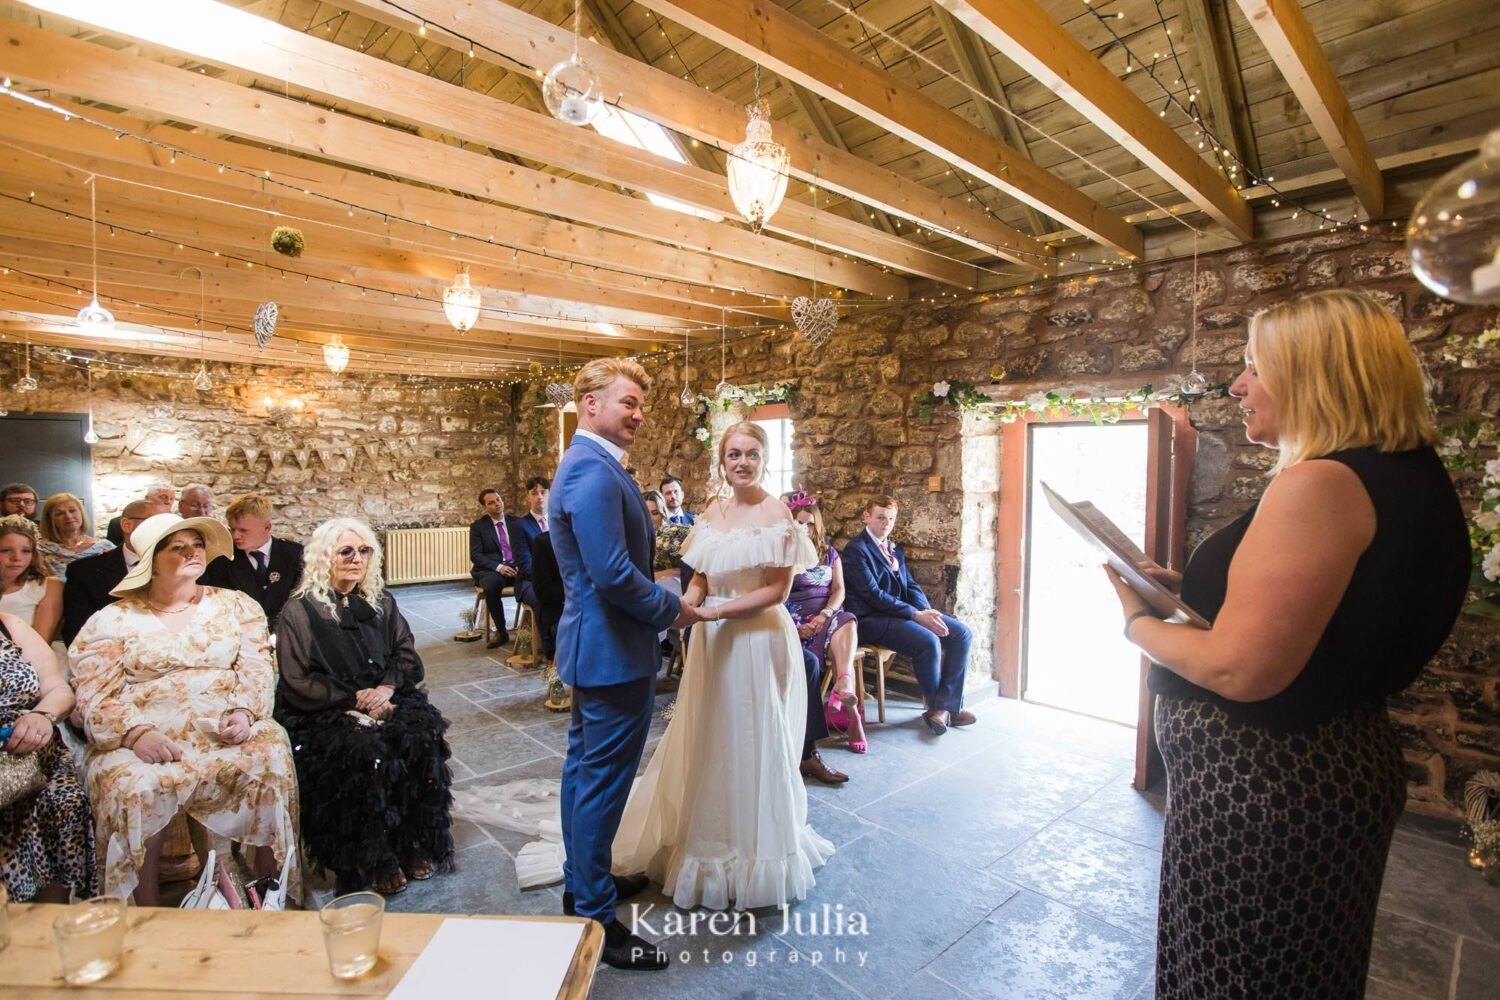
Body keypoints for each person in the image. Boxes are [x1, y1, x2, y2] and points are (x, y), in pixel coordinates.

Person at [1103, 290, 1471, 1000]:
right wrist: (1188, 588)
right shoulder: (1409, 475)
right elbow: (1334, 612)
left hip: (1267, 794)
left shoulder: (1321, 483)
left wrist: (1136, 623)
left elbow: (1242, 667)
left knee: (1239, 977)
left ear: (1316, 373)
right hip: (1329, 770)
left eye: (1253, 368)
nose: (1237, 386)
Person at [614, 421, 834, 911]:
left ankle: (757, 851)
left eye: (751, 454)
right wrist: (686, 606)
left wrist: (710, 613)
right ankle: (708, 840)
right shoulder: (711, 512)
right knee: (712, 734)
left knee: (756, 735)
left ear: (765, 458)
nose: (741, 463)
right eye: (733, 454)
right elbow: (702, 578)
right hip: (713, 640)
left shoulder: (778, 515)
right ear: (722, 460)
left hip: (757, 637)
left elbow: (776, 590)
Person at [550, 358, 698, 971]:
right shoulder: (589, 470)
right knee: (602, 780)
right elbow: (611, 574)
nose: (638, 414)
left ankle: (581, 880)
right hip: (612, 650)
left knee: (586, 772)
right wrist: (674, 610)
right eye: (628, 402)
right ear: (590, 404)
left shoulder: (591, 464)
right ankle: (594, 915)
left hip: (605, 647)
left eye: (640, 404)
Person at [68, 512, 300, 905]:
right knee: (133, 784)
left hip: (224, 724)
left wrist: (245, 712)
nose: (193, 552)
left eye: (197, 545)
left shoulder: (236, 606)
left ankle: (270, 894)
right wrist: (136, 733)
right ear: (151, 563)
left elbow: (258, 669)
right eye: (178, 547)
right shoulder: (113, 620)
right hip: (145, 734)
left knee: (271, 754)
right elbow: (96, 693)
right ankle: (146, 908)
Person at [274, 518, 454, 896]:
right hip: (326, 704)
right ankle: (374, 856)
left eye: (364, 550)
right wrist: (354, 700)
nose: (356, 559)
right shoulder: (299, 611)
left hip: (383, 693)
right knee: (362, 752)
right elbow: (297, 680)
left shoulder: (380, 600)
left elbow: (406, 653)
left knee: (420, 734)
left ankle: (411, 841)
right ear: (325, 557)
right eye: (346, 551)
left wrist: (386, 688)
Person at [843, 496, 973, 735]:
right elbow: (873, 595)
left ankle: (943, 708)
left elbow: (910, 585)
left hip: (901, 614)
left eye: (891, 519)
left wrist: (926, 612)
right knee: (927, 640)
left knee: (962, 634)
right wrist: (915, 615)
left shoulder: (894, 548)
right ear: (866, 517)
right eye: (881, 517)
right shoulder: (856, 550)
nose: (886, 523)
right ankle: (941, 708)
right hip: (870, 619)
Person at [0, 611, 94, 902]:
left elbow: (58, 689)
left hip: (36, 754)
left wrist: (42, 716)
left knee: (66, 801)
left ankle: (51, 917)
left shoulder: (8, 624)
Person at [784, 491, 866, 758]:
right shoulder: (783, 555)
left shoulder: (829, 553)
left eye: (810, 523)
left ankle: (844, 685)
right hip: (793, 616)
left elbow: (839, 589)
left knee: (847, 620)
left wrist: (825, 614)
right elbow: (775, 596)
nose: (806, 529)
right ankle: (849, 711)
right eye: (801, 523)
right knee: (814, 648)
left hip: (825, 613)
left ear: (817, 525)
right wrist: (796, 625)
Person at [205, 494, 305, 629]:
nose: (235, 536)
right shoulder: (222, 559)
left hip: (285, 633)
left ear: (267, 528)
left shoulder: (294, 556)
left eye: (243, 530)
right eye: (232, 529)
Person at [60, 500, 152, 645]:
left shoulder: (192, 570)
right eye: (156, 522)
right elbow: (78, 633)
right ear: (127, 525)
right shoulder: (85, 573)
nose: (165, 530)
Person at [468, 489, 530, 650]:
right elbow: (476, 555)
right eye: (491, 502)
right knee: (492, 586)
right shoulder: (478, 527)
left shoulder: (517, 522)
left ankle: (530, 627)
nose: (497, 504)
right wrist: (499, 567)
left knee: (533, 579)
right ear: (484, 507)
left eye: (498, 499)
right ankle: (501, 632)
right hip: (491, 569)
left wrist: (519, 563)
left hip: (516, 566)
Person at [0, 516, 62, 643]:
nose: (17, 557)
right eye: (5, 551)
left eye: (26, 551)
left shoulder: (48, 586)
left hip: (26, 658)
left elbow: (40, 642)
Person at [37, 493, 113, 582]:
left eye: (72, 511)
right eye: (59, 513)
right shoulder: (39, 550)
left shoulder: (105, 548)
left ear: (81, 513)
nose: (68, 516)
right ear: (50, 520)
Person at [106, 482, 173, 547]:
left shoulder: (175, 524)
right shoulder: (117, 523)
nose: (168, 502)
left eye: (171, 499)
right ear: (148, 498)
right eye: (163, 497)